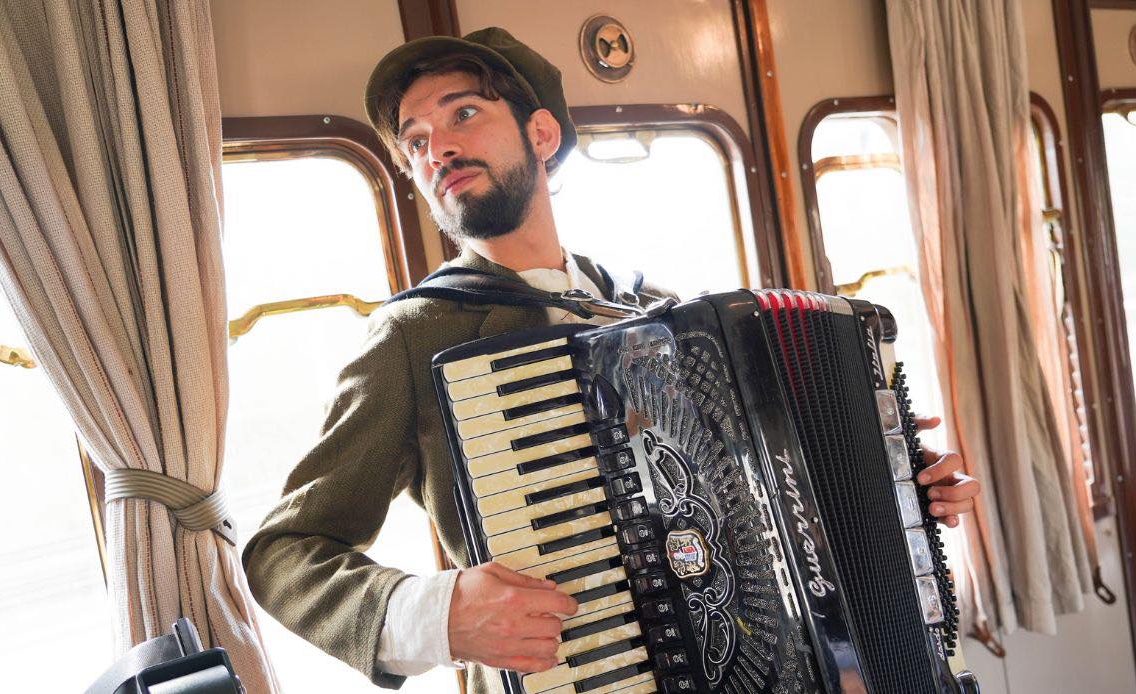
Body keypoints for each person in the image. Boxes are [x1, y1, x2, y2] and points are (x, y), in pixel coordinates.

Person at [240, 27, 982, 694]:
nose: (437, 148)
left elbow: (772, 494)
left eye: (463, 114)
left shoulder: (655, 312)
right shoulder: (413, 334)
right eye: (415, 139)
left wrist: (896, 492)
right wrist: (429, 614)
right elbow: (284, 554)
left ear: (540, 134)